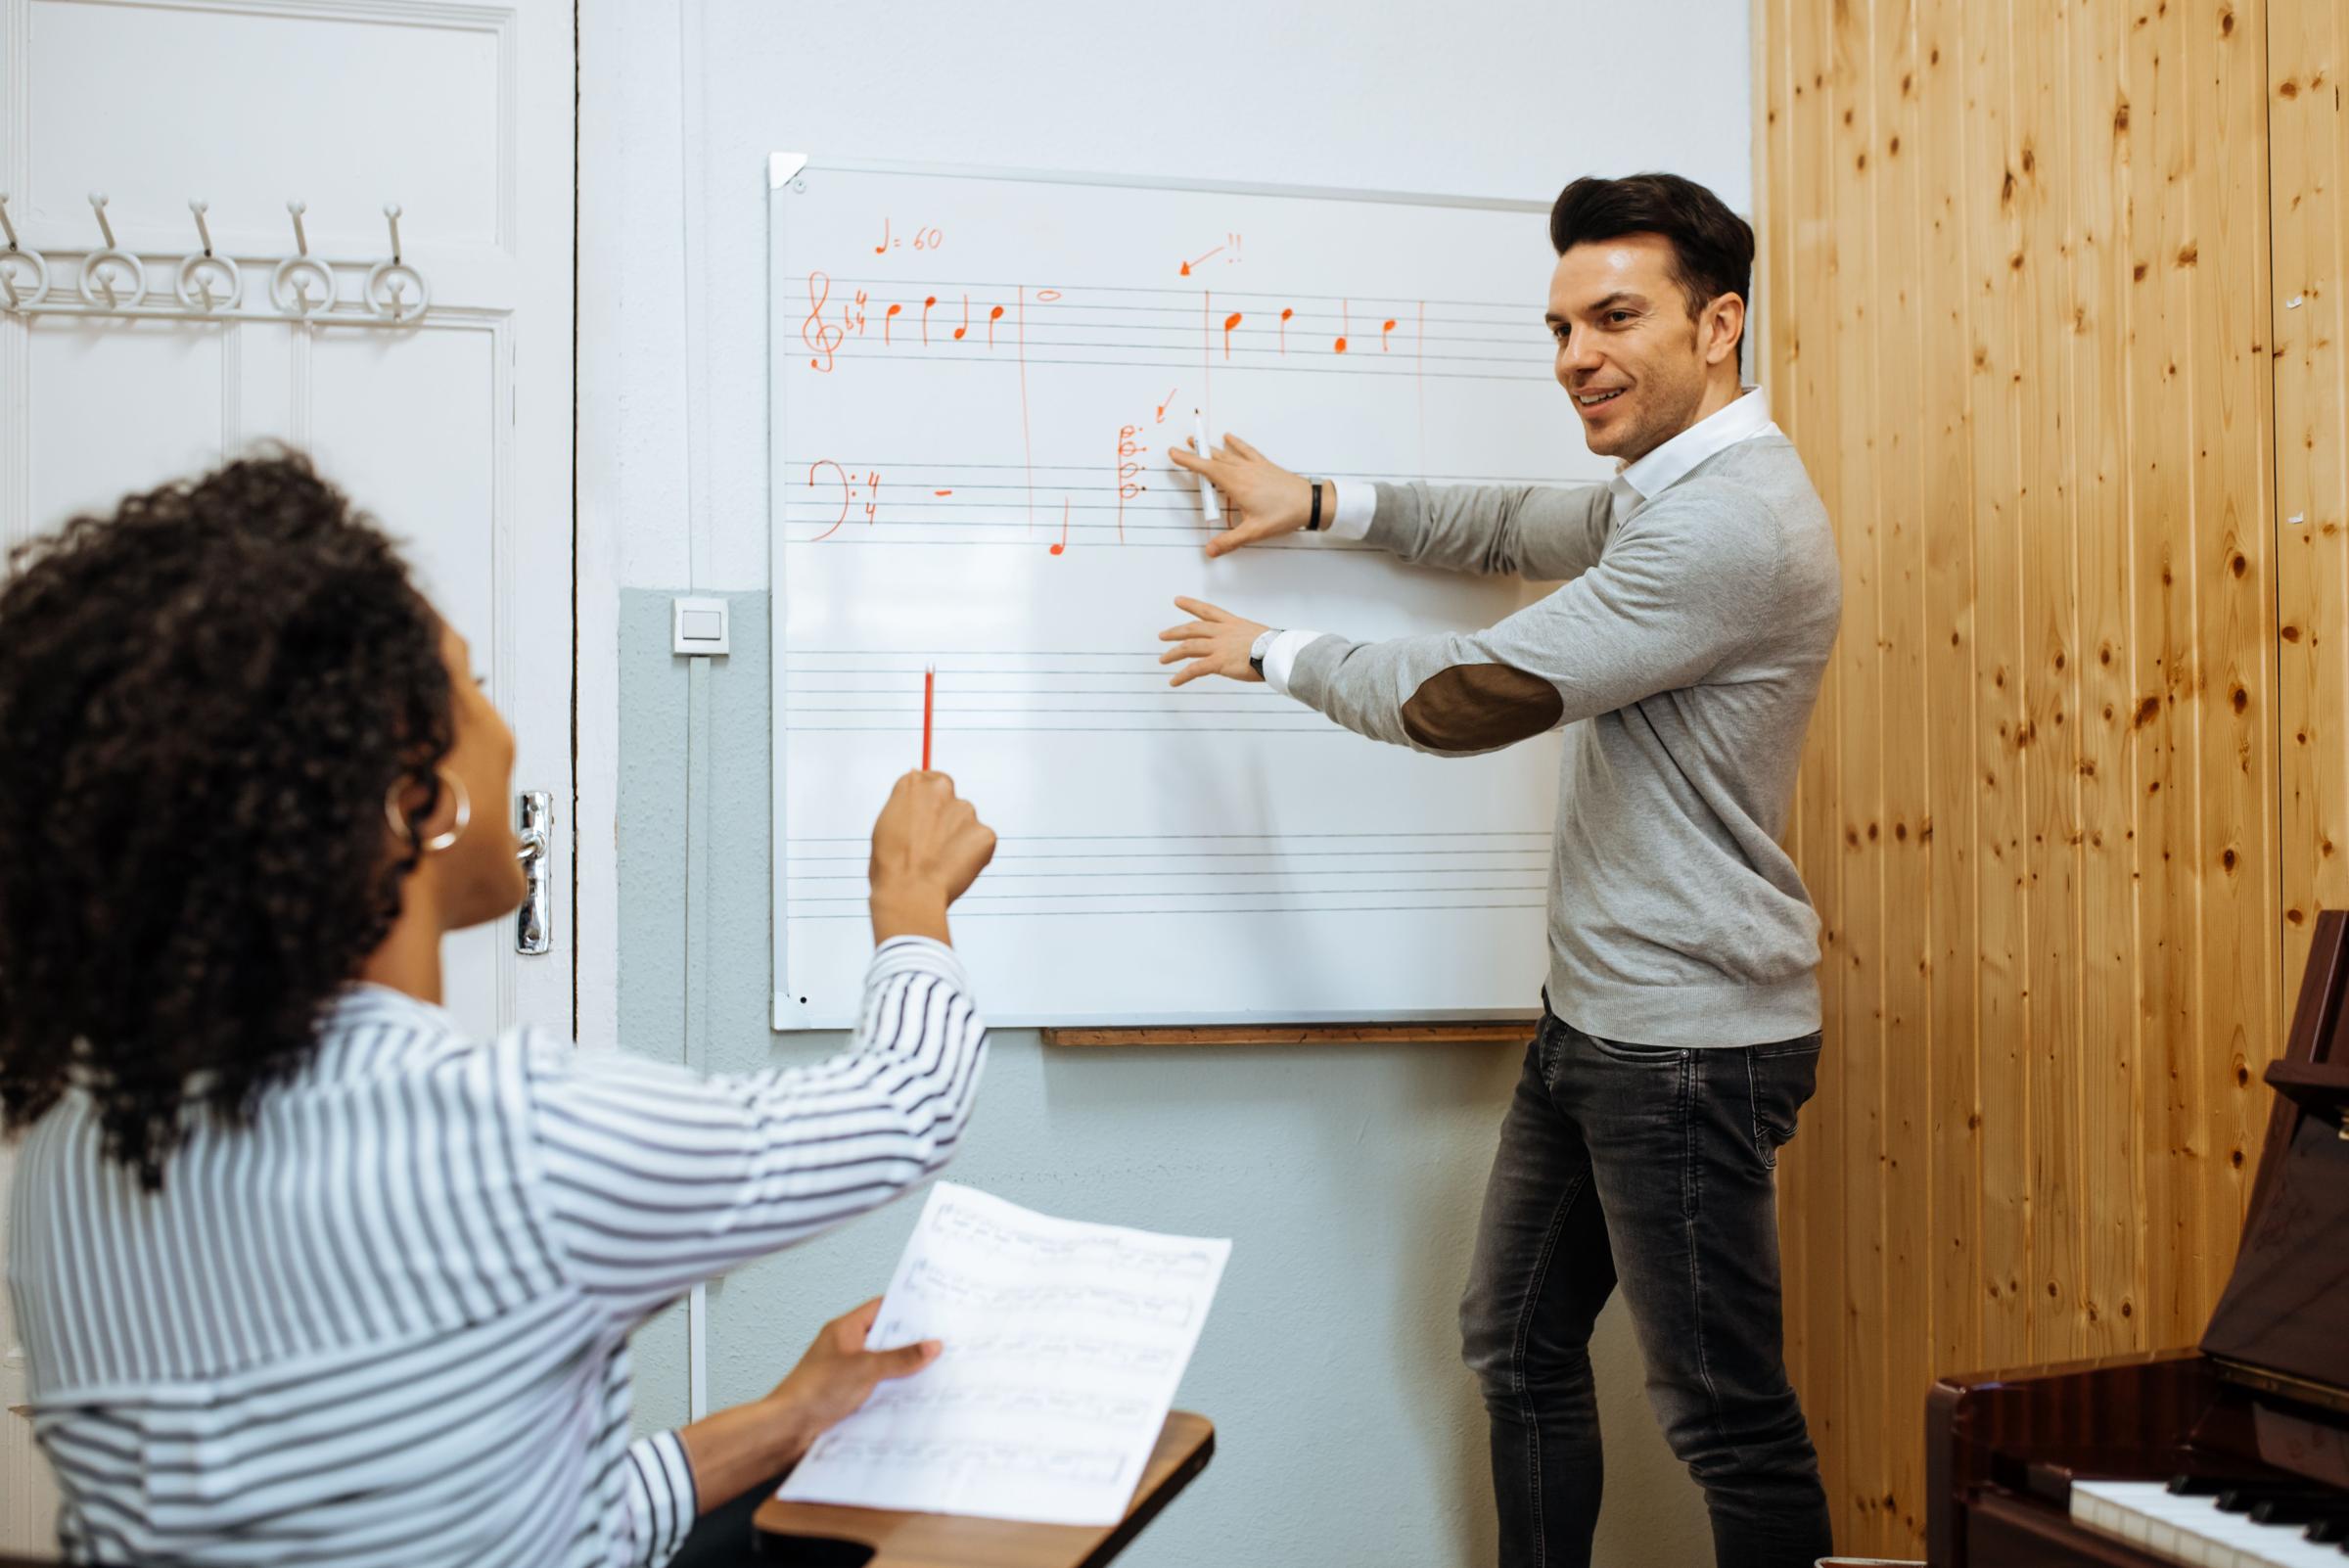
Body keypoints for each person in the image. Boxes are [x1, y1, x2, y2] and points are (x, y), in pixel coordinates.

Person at [0, 453, 999, 1566]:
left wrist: (787, 1418)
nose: (501, 726)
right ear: (410, 795)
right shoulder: (513, 1135)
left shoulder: (73, 1151)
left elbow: (491, 1515)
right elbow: (910, 1103)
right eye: (470, 686)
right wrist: (909, 901)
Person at [1161, 173, 1841, 1568]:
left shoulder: (1729, 526)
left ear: (1719, 326)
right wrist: (1319, 502)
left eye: (1614, 317)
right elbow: (1505, 528)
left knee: (1726, 1418)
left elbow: (1473, 695)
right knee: (1515, 1344)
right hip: (1602, 1019)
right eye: (1558, 327)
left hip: (1689, 1047)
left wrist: (1271, 652)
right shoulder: (1669, 490)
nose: (1575, 356)